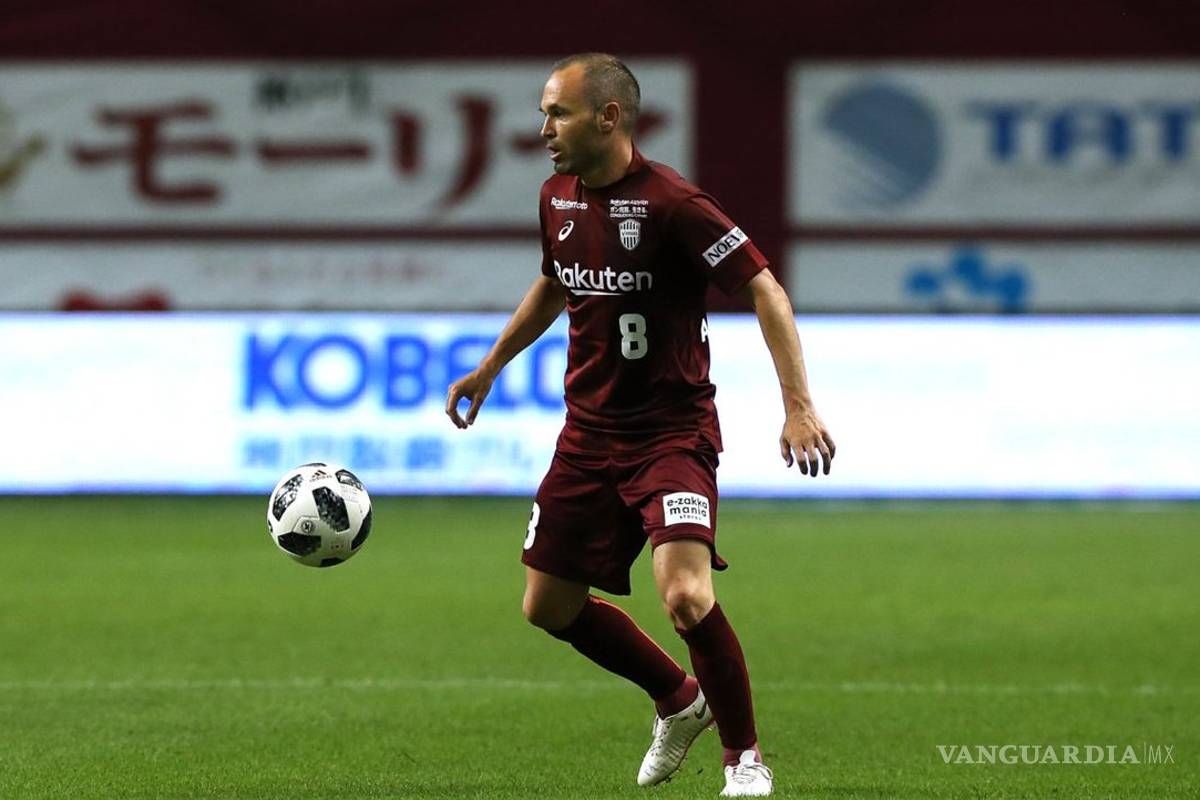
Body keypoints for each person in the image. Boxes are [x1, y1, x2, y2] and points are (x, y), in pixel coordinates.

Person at [445, 53, 834, 798]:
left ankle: (744, 759)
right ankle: (677, 698)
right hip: (586, 435)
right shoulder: (556, 197)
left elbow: (764, 288)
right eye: (543, 114)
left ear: (609, 117)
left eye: (557, 113)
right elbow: (555, 284)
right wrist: (491, 365)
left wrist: (798, 404)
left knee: (684, 594)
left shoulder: (674, 204)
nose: (544, 130)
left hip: (670, 434)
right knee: (547, 607)